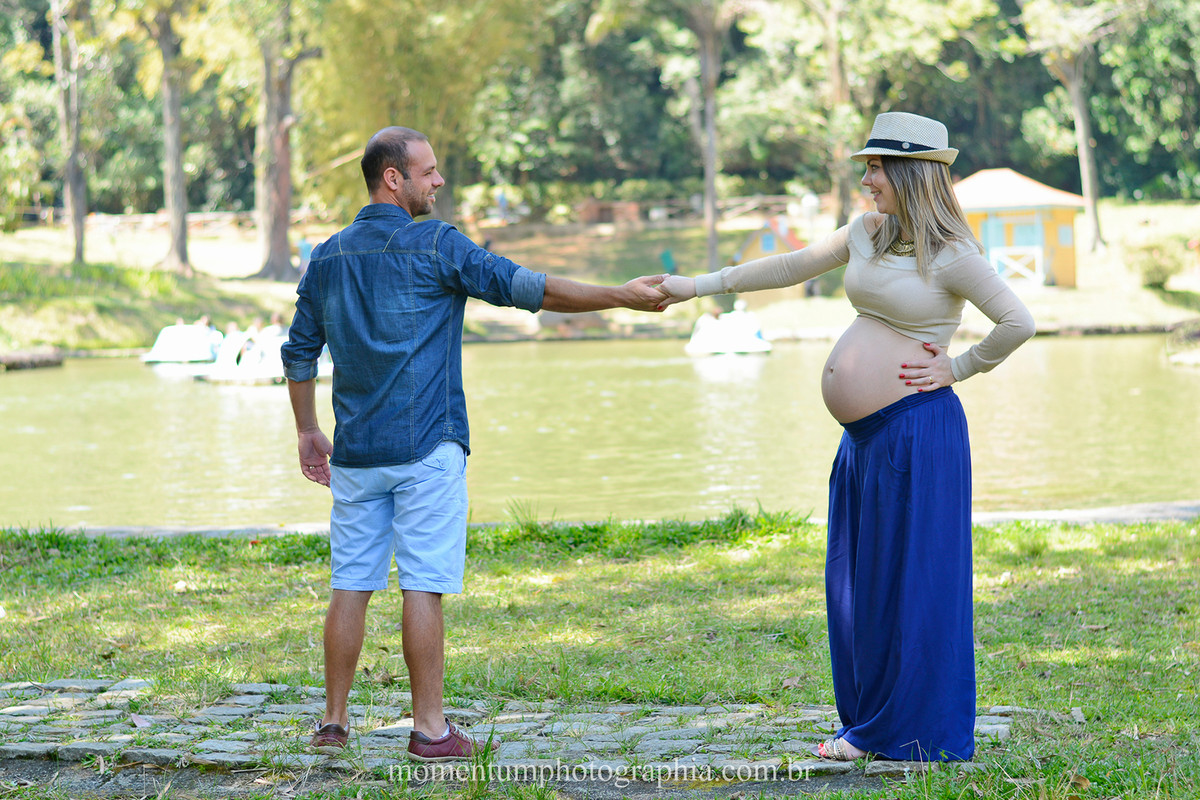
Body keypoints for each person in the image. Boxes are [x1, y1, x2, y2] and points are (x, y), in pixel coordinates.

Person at [653, 112, 1035, 762]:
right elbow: (790, 265)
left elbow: (1017, 321)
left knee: (913, 584)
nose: (865, 179)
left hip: (918, 433)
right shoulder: (867, 233)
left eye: (876, 168)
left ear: (912, 173)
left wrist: (960, 366)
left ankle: (909, 731)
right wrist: (696, 287)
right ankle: (870, 723)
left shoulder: (953, 255)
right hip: (864, 441)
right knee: (859, 583)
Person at [280, 126, 666, 762]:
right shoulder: (437, 245)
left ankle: (332, 722)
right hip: (428, 446)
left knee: (350, 584)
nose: (438, 183)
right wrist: (620, 296)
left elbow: (298, 351)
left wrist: (306, 428)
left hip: (354, 454)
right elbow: (529, 288)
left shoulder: (326, 256)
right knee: (422, 586)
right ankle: (430, 730)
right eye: (428, 172)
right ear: (393, 179)